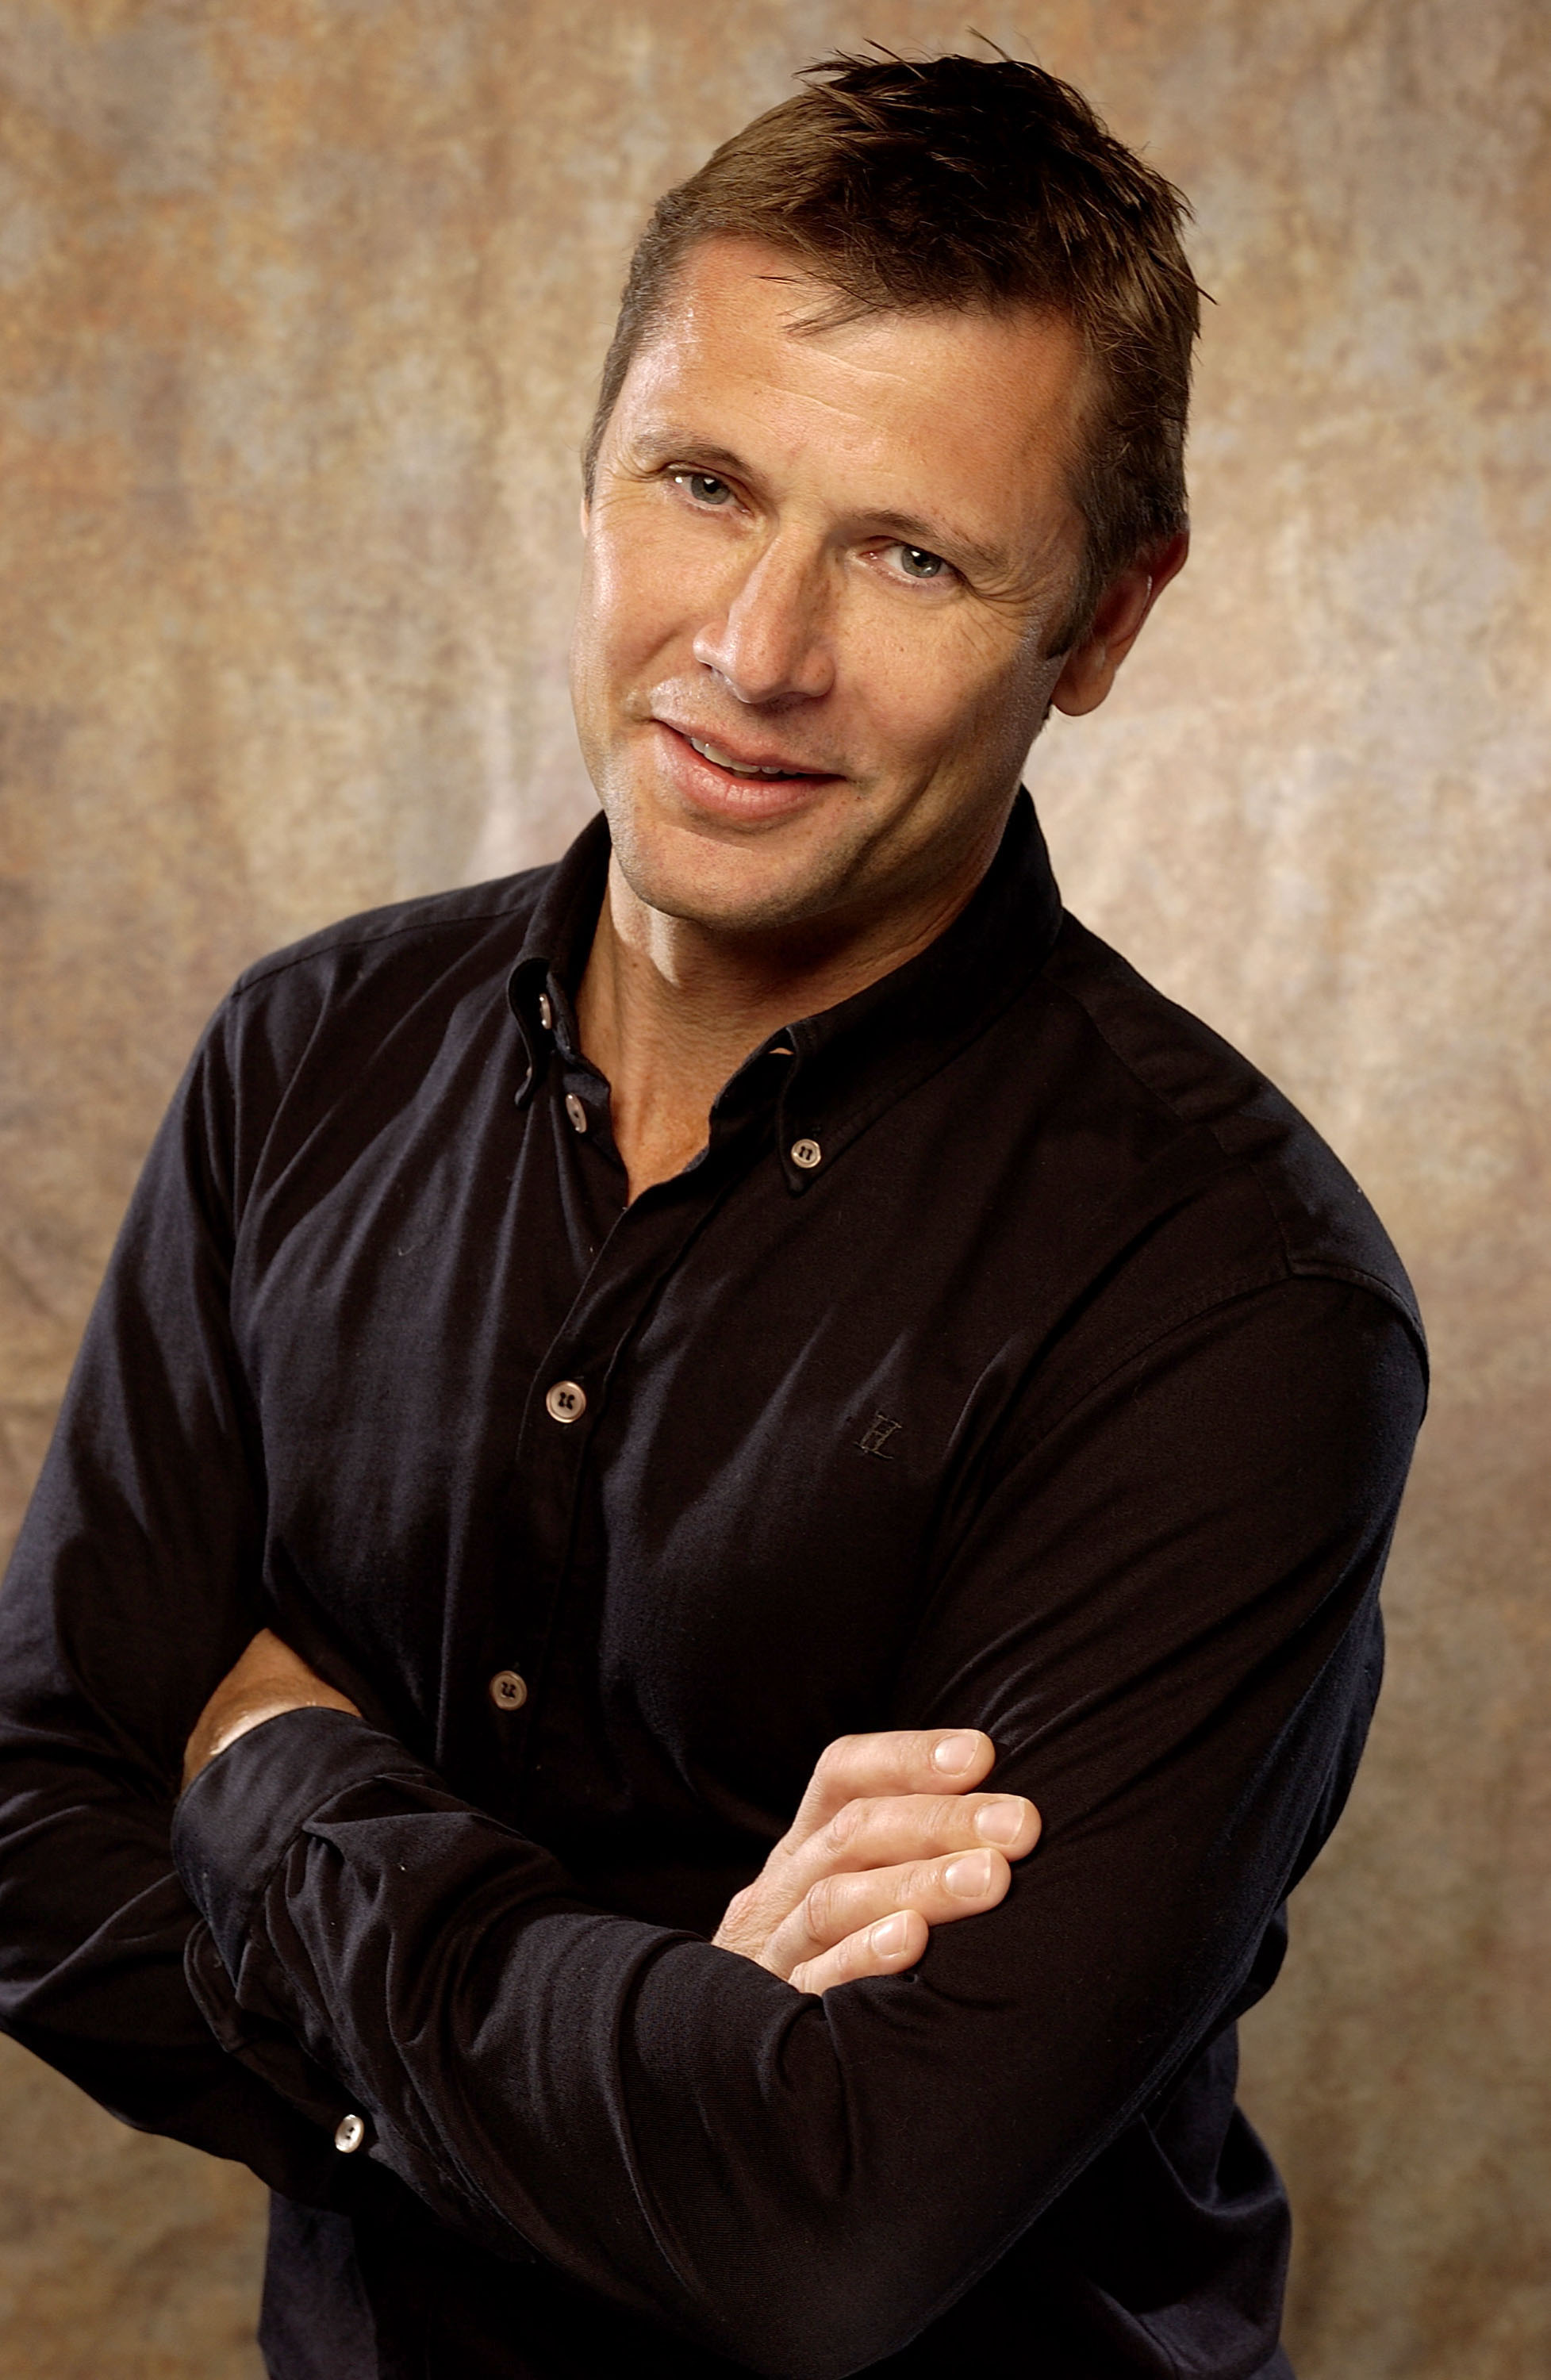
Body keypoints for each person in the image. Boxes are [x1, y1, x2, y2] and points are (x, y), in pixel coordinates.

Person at [0, 52, 1425, 2380]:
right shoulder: (306, 1059)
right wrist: (663, 2052)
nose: (754, 653)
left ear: (1103, 620)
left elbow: (830, 2230)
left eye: (910, 554)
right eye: (703, 483)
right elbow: (35, 1838)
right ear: (592, 476)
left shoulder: (1232, 1306)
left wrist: (268, 1775)